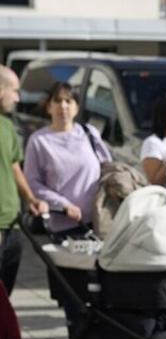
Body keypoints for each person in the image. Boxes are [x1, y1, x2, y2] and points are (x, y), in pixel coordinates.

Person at [23, 81, 111, 238]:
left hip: (97, 222)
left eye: (68, 101)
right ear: (48, 107)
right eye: (57, 101)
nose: (63, 106)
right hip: (62, 226)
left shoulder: (89, 133)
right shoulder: (39, 141)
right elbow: (32, 183)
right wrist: (63, 205)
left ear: (76, 107)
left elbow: (107, 168)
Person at [0, 66, 48, 294]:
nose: (18, 98)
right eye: (15, 91)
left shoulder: (7, 126)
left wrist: (30, 199)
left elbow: (14, 167)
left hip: (13, 225)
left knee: (5, 299)